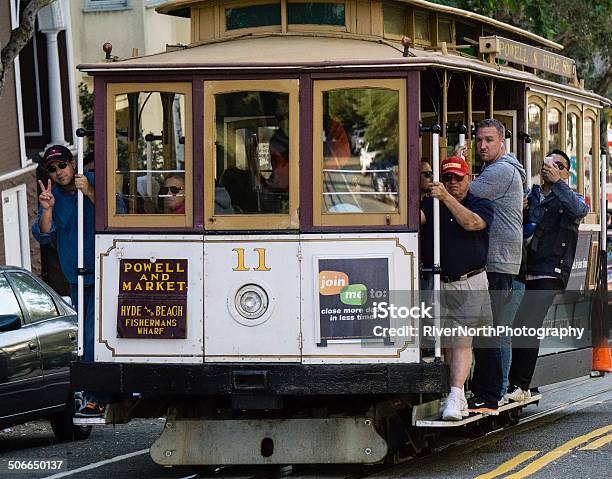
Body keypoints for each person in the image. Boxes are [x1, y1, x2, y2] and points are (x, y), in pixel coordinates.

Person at [506, 149, 588, 401]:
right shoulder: (532, 196)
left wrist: (558, 184)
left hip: (550, 272)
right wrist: (517, 208)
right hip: (523, 269)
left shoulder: (570, 197)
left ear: (566, 172)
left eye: (557, 164)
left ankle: (519, 385)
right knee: (516, 325)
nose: (549, 167)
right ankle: (512, 383)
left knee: (528, 324)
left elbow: (579, 210)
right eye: (546, 163)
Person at [32, 145, 106, 417]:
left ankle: (96, 397)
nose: (59, 172)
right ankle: (94, 396)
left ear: (72, 163)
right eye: (52, 169)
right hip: (76, 278)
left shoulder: (94, 182)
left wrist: (88, 191)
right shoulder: (51, 196)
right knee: (85, 342)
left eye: (62, 165)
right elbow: (43, 234)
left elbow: (117, 213)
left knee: (91, 337)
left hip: (103, 272)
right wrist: (47, 208)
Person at [421, 157, 495, 420]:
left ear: (469, 179)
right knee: (448, 343)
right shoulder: (431, 204)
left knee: (462, 338)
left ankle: (454, 394)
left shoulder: (481, 204)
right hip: (441, 282)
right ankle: (458, 394)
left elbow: (471, 223)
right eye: (448, 178)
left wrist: (446, 199)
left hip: (470, 281)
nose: (452, 183)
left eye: (458, 178)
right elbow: (415, 219)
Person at [462, 119, 526, 413]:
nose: (482, 145)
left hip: (499, 262)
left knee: (496, 329)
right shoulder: (501, 169)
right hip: (503, 260)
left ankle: (496, 391)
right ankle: (495, 389)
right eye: (479, 140)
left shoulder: (500, 171)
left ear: (502, 142)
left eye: (488, 140)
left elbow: (463, 192)